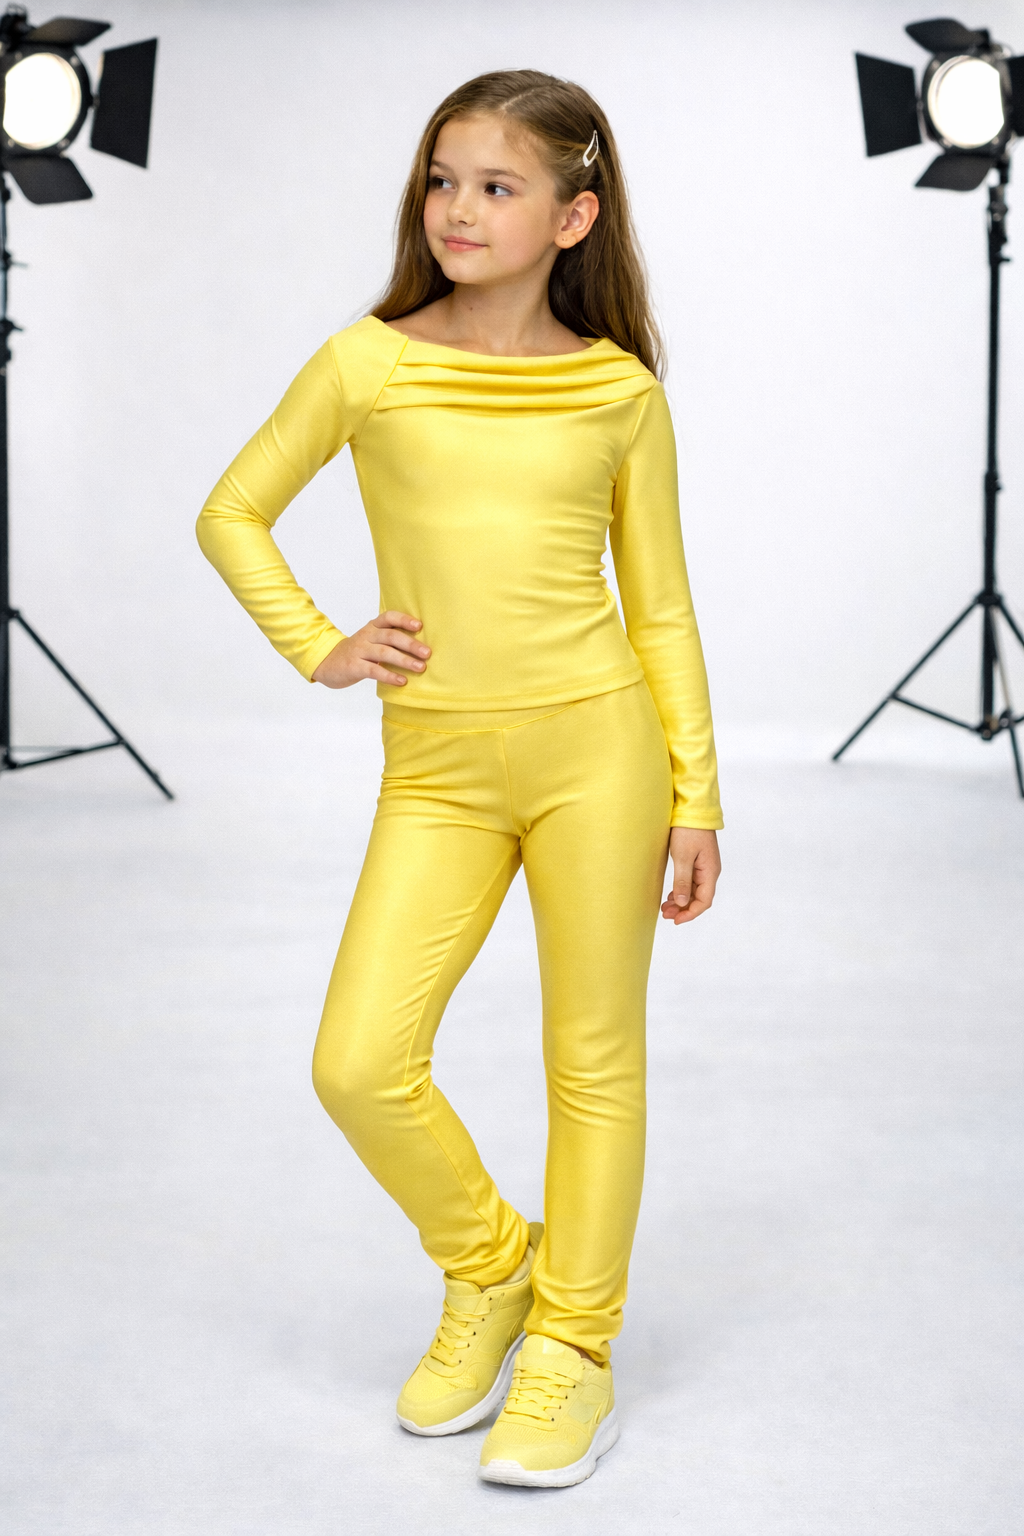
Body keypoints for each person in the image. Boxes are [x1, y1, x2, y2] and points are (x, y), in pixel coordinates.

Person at [197, 68, 723, 1490]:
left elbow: (662, 610)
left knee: (591, 1060)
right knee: (358, 1061)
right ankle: (492, 1265)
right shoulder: (369, 362)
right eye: (442, 179)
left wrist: (697, 794)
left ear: (574, 217)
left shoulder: (617, 391)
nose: (458, 209)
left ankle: (575, 1345)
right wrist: (321, 644)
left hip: (599, 752)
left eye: (497, 185)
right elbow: (232, 511)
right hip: (435, 769)